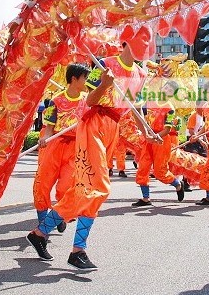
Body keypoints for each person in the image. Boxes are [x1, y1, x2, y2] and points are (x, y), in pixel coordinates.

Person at [27, 25, 153, 270]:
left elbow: (132, 105)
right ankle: (78, 250)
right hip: (93, 124)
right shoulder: (104, 64)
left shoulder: (140, 73)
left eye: (148, 41)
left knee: (83, 189)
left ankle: (41, 233)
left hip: (112, 128)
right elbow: (91, 101)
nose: (145, 44)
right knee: (99, 187)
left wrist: (147, 130)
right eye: (141, 39)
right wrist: (105, 84)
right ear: (127, 41)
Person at [32, 63, 90, 233]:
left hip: (75, 148)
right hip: (55, 145)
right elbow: (49, 127)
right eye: (85, 78)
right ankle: (44, 224)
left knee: (66, 187)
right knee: (42, 184)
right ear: (74, 79)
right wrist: (45, 138)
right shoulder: (56, 100)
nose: (87, 81)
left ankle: (59, 215)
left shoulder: (87, 101)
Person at [132, 80, 185, 206]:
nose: (166, 91)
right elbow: (138, 110)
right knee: (143, 168)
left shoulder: (170, 109)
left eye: (170, 90)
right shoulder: (150, 101)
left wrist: (155, 137)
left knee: (160, 172)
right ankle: (146, 198)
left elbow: (167, 129)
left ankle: (177, 184)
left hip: (161, 140)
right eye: (166, 88)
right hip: (149, 138)